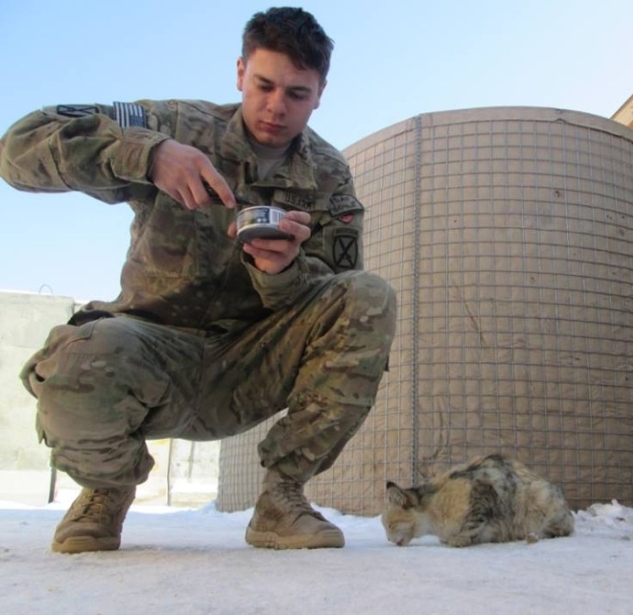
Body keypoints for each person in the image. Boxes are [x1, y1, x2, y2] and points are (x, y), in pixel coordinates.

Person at [0, 7, 396, 554]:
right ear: (239, 73)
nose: (277, 107)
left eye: (297, 94)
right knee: (77, 359)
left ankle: (282, 498)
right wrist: (147, 155)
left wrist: (280, 272)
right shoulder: (175, 126)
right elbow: (18, 147)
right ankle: (108, 489)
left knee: (369, 296)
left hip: (250, 365)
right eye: (263, 85)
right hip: (148, 352)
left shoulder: (328, 174)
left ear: (320, 93)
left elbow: (336, 295)